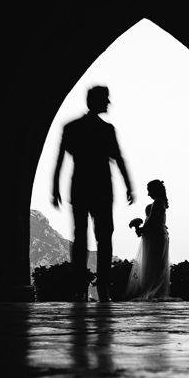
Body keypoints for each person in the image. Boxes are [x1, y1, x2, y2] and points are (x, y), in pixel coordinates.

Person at [52, 86, 134, 302]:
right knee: (104, 239)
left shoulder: (72, 127)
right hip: (101, 189)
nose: (108, 104)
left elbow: (61, 159)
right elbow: (118, 158)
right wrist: (128, 184)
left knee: (80, 239)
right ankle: (102, 289)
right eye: (105, 99)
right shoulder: (106, 129)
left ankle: (80, 289)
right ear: (97, 102)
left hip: (79, 186)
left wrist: (55, 186)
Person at [125, 179, 176, 301]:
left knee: (155, 262)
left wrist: (142, 230)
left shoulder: (158, 202)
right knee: (152, 262)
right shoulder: (159, 203)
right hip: (153, 235)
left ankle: (154, 290)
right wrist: (141, 230)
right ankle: (152, 288)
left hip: (156, 235)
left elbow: (152, 220)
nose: (148, 194)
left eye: (149, 191)